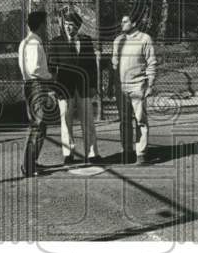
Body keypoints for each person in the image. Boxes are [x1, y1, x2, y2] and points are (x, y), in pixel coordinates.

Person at [49, 10, 100, 165]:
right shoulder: (56, 42)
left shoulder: (86, 41)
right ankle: (68, 154)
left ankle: (92, 154)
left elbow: (92, 66)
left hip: (83, 87)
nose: (68, 28)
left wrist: (93, 86)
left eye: (72, 25)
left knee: (88, 120)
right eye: (66, 25)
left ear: (78, 26)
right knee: (66, 121)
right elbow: (51, 67)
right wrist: (55, 88)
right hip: (64, 88)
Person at [111, 12, 157, 165]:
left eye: (125, 21)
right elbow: (114, 64)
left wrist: (150, 84)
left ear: (134, 23)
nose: (122, 24)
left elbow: (151, 62)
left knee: (140, 120)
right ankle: (127, 151)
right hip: (121, 88)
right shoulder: (118, 40)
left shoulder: (145, 39)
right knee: (124, 121)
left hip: (138, 86)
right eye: (121, 21)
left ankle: (141, 154)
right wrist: (112, 85)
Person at [17, 10, 54, 178]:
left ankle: (31, 162)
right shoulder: (34, 43)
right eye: (45, 24)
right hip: (36, 84)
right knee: (38, 126)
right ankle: (29, 166)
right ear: (40, 25)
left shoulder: (28, 41)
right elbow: (34, 69)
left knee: (38, 125)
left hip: (31, 85)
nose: (46, 27)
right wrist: (50, 76)